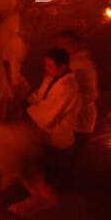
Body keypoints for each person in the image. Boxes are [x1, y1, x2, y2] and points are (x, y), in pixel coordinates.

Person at [26, 47, 82, 176]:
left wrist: (27, 111)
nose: (47, 69)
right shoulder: (52, 78)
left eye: (50, 66)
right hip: (48, 139)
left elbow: (48, 113)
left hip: (58, 142)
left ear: (62, 67)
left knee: (55, 178)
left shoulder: (67, 88)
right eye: (46, 65)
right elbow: (40, 96)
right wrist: (26, 100)